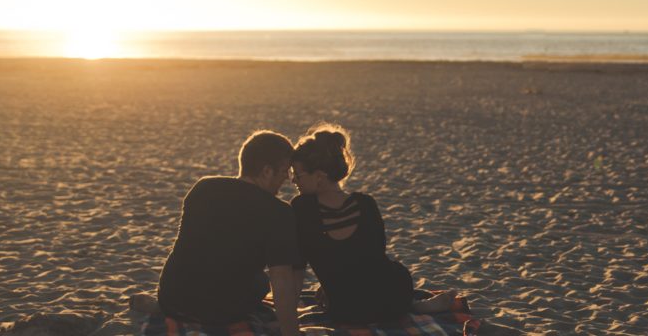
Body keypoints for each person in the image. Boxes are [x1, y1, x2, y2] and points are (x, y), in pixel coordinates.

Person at [132, 130, 301, 336]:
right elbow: (281, 280)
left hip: (171, 298)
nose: (288, 178)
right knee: (260, 282)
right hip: (219, 312)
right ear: (266, 171)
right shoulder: (278, 211)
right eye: (285, 170)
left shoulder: (203, 187)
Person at [290, 123, 455, 324]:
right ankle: (412, 306)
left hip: (346, 308)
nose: (293, 181)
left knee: (366, 294)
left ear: (319, 176)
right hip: (391, 297)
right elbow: (370, 259)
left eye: (297, 175)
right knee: (390, 277)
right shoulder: (365, 204)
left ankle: (412, 306)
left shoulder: (301, 208)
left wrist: (288, 317)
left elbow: (297, 267)